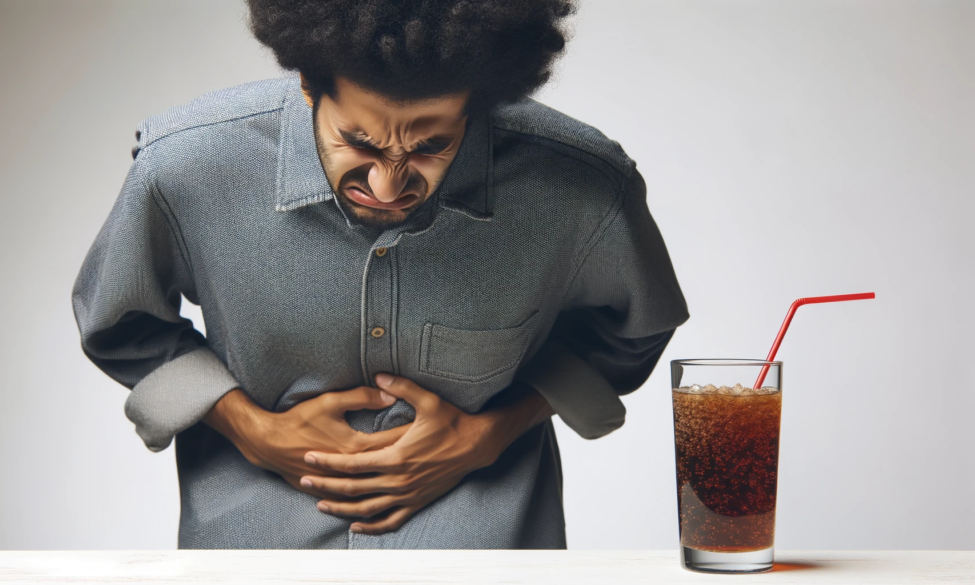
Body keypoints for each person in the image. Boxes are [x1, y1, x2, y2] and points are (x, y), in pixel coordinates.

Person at [72, 0, 688, 549]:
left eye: (428, 147)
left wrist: (493, 433)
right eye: (359, 142)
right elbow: (122, 325)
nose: (388, 184)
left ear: (478, 109)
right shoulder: (185, 166)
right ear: (311, 88)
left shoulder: (582, 187)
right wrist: (250, 427)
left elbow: (630, 332)